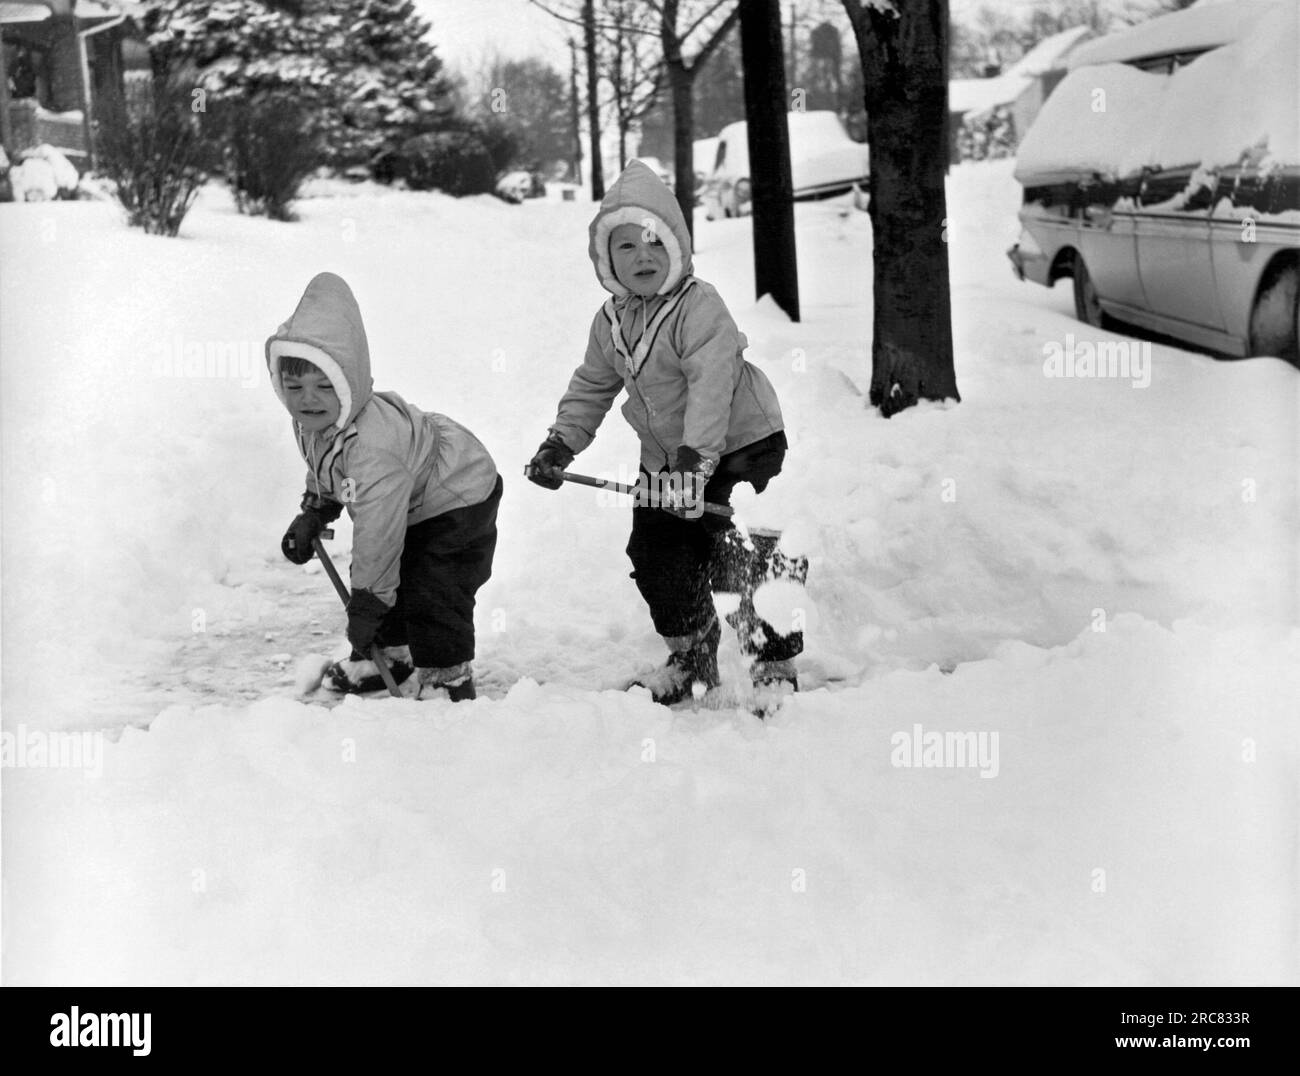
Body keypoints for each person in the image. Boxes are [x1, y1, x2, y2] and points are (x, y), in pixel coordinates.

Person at [526, 159, 803, 706]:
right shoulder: (610, 321)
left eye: (655, 243)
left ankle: (773, 658)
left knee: (731, 550)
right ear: (606, 259)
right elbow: (592, 385)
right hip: (669, 461)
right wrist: (561, 442)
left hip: (739, 444)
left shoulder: (699, 306)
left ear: (676, 246)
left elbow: (711, 384)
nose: (643, 257)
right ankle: (694, 656)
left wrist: (695, 464)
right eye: (625, 247)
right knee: (654, 550)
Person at [268, 272, 501, 701]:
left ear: (349, 383)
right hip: (409, 491)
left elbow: (378, 533)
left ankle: (448, 679)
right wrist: (315, 510)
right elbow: (329, 467)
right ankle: (389, 658)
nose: (308, 399)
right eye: (294, 386)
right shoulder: (314, 423)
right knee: (377, 571)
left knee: (431, 584)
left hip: (457, 491)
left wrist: (369, 603)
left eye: (324, 385)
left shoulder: (374, 448)